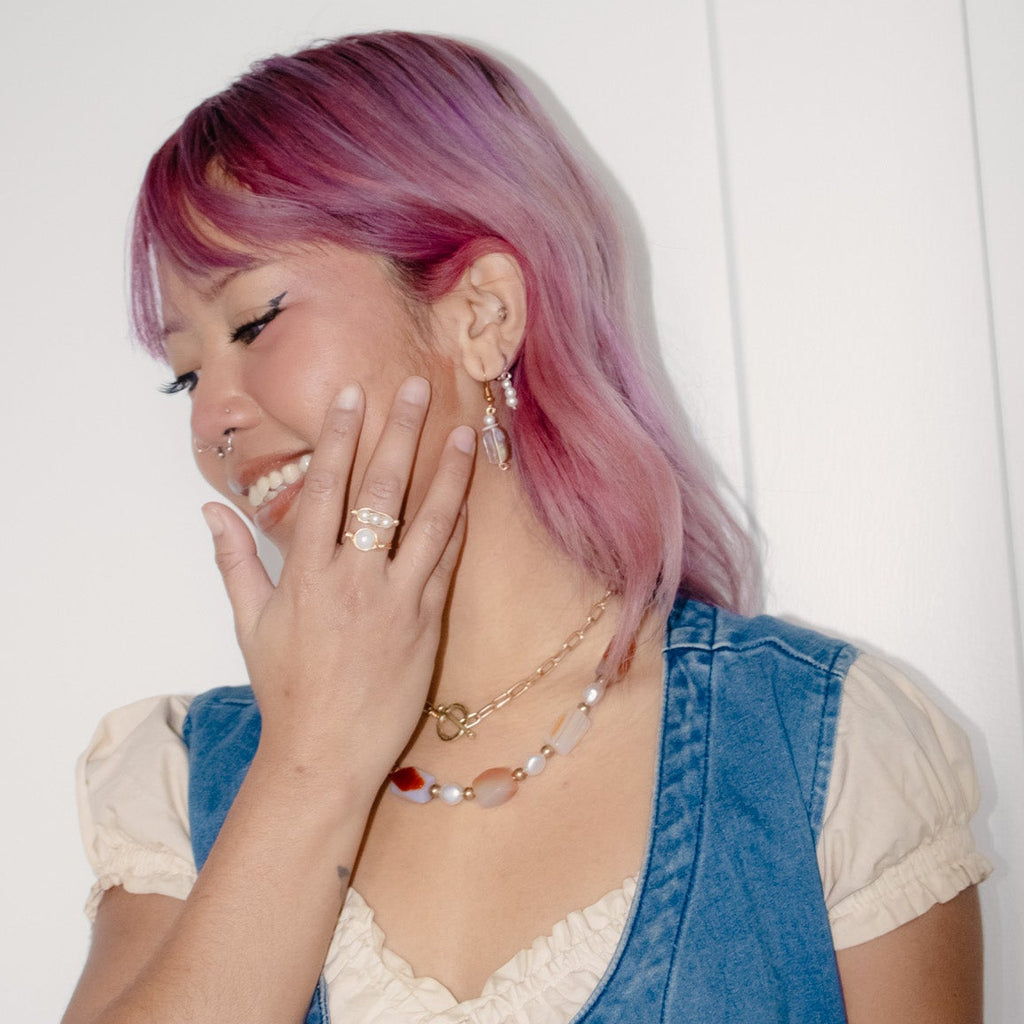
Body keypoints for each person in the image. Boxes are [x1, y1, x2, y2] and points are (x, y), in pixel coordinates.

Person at [63, 31, 991, 1024]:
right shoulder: (179, 783)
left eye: (253, 323)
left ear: (483, 314)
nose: (211, 420)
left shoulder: (828, 749)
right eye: (186, 374)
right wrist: (309, 765)